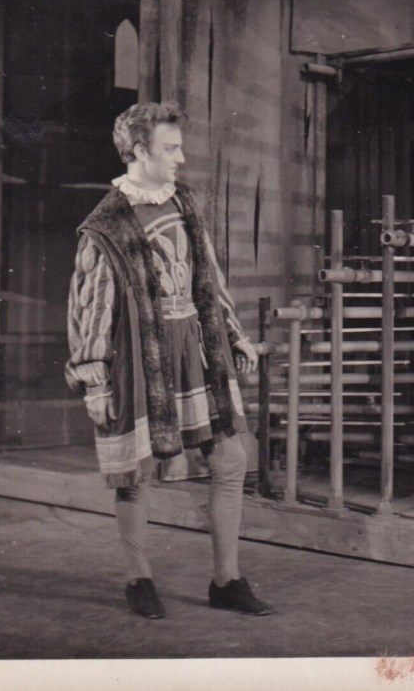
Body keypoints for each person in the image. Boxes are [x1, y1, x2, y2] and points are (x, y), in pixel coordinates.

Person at [65, 101, 272, 620]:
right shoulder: (106, 225)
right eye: (170, 148)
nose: (180, 158)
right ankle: (139, 580)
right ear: (140, 151)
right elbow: (91, 309)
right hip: (140, 357)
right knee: (136, 474)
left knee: (230, 461)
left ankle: (227, 580)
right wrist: (95, 381)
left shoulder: (184, 202)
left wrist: (235, 334)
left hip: (196, 350)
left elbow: (208, 276)